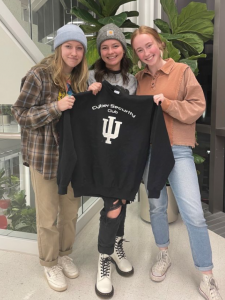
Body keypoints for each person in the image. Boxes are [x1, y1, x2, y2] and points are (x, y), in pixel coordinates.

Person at [131, 26, 223, 300]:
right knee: (157, 207)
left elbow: (197, 106)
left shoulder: (182, 71)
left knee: (193, 213)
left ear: (160, 44)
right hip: (149, 152)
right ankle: (163, 254)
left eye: (149, 45)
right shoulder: (138, 79)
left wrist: (168, 104)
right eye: (139, 49)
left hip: (179, 149)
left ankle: (207, 276)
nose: (146, 52)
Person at [12, 24, 90, 292]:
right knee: (48, 217)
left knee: (69, 213)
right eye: (69, 46)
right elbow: (20, 114)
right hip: (44, 158)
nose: (74, 52)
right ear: (58, 48)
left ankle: (65, 253)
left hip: (73, 159)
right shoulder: (39, 75)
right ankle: (49, 263)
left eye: (79, 48)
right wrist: (55, 107)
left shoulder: (81, 79)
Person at [88, 23, 137, 298]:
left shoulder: (132, 80)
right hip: (102, 151)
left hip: (124, 152)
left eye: (115, 45)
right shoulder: (91, 76)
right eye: (104, 47)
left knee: (123, 197)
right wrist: (90, 91)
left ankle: (117, 245)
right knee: (113, 203)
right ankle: (104, 258)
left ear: (123, 48)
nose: (110, 51)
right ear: (100, 51)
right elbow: (82, 109)